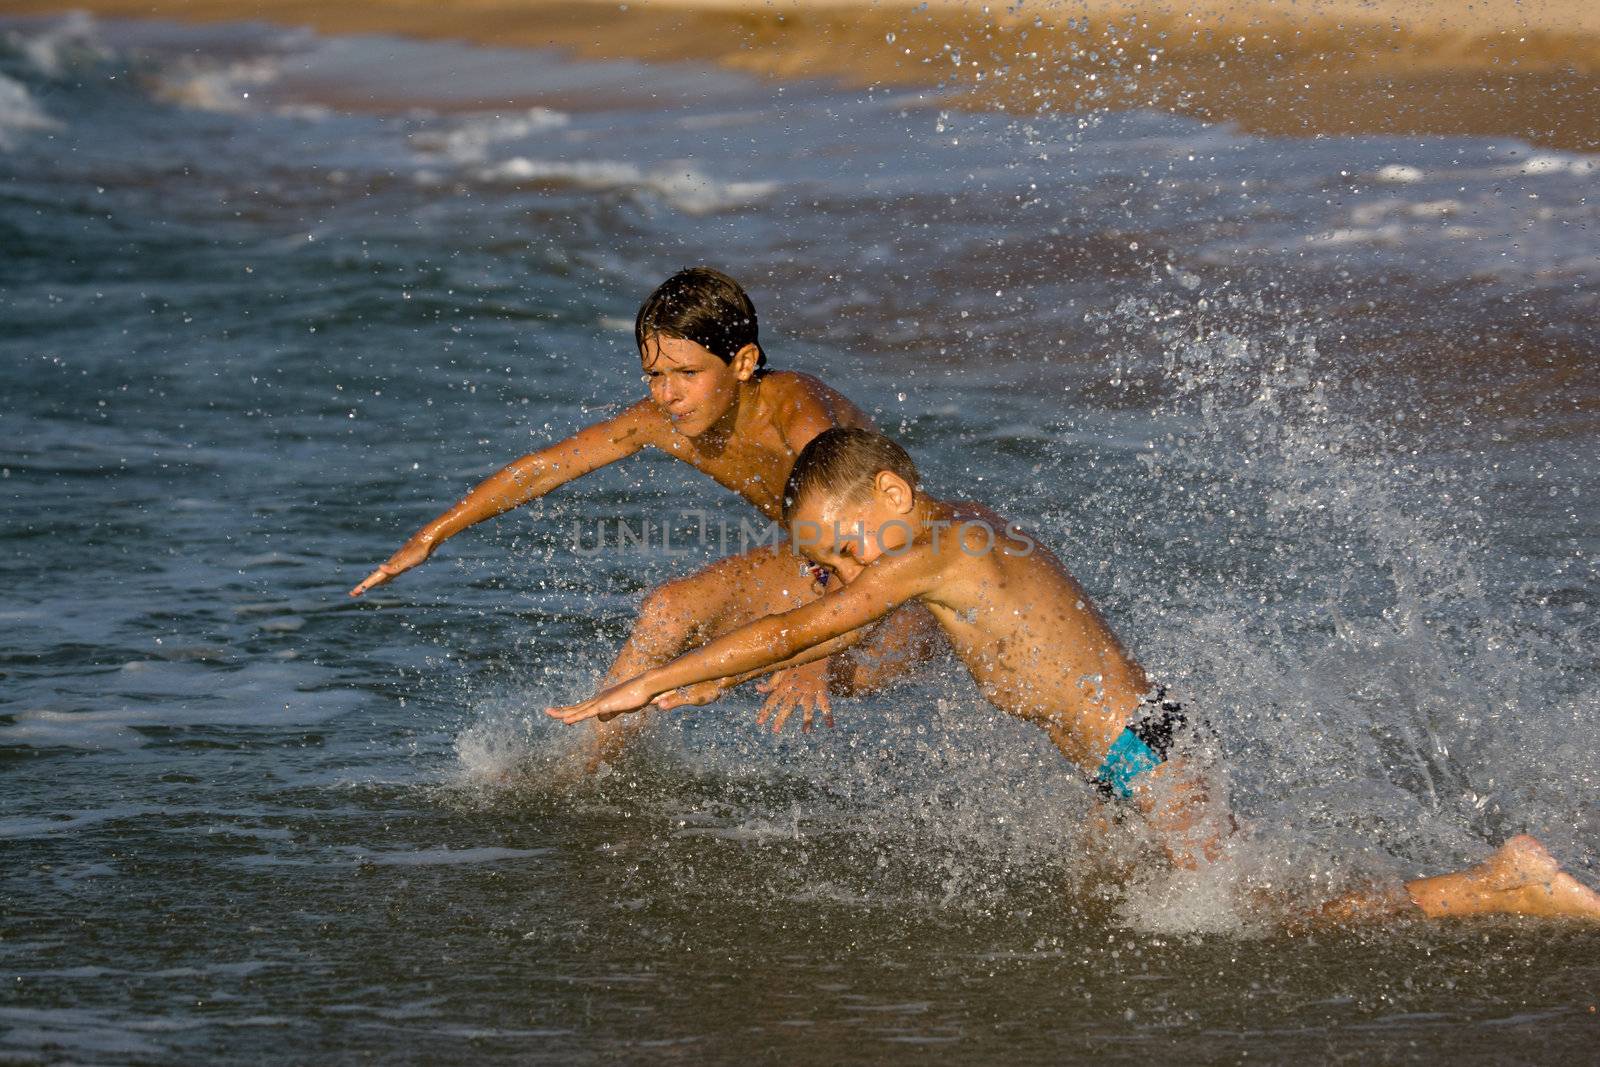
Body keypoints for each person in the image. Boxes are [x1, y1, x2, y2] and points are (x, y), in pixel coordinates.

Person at [548, 428, 1600, 922]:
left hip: (1147, 746)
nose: (846, 563)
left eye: (845, 539)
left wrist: (648, 683)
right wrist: (722, 684)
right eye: (828, 552)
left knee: (1255, 914)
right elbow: (874, 640)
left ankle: (1496, 886)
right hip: (1135, 747)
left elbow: (804, 625)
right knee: (1099, 906)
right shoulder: (953, 541)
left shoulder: (936, 550)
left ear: (889, 489)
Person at [351, 269, 939, 760]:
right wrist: (432, 535)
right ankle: (596, 774)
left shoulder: (796, 408)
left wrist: (820, 653)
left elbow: (865, 532)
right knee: (666, 611)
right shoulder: (662, 420)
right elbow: (544, 468)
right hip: (820, 571)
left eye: (688, 373)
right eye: (655, 375)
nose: (668, 394)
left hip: (909, 574)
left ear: (742, 363)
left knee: (825, 670)